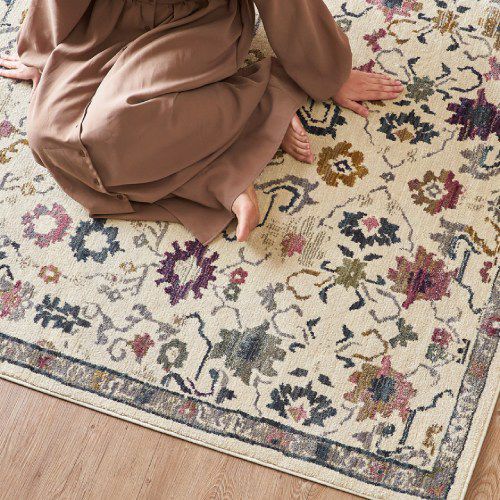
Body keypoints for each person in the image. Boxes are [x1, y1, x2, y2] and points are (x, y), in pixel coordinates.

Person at [1, 0, 403, 244]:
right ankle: (223, 164)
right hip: (108, 18)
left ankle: (266, 94)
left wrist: (328, 73)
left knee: (109, 130)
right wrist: (41, 51)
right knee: (47, 135)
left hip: (197, 22)